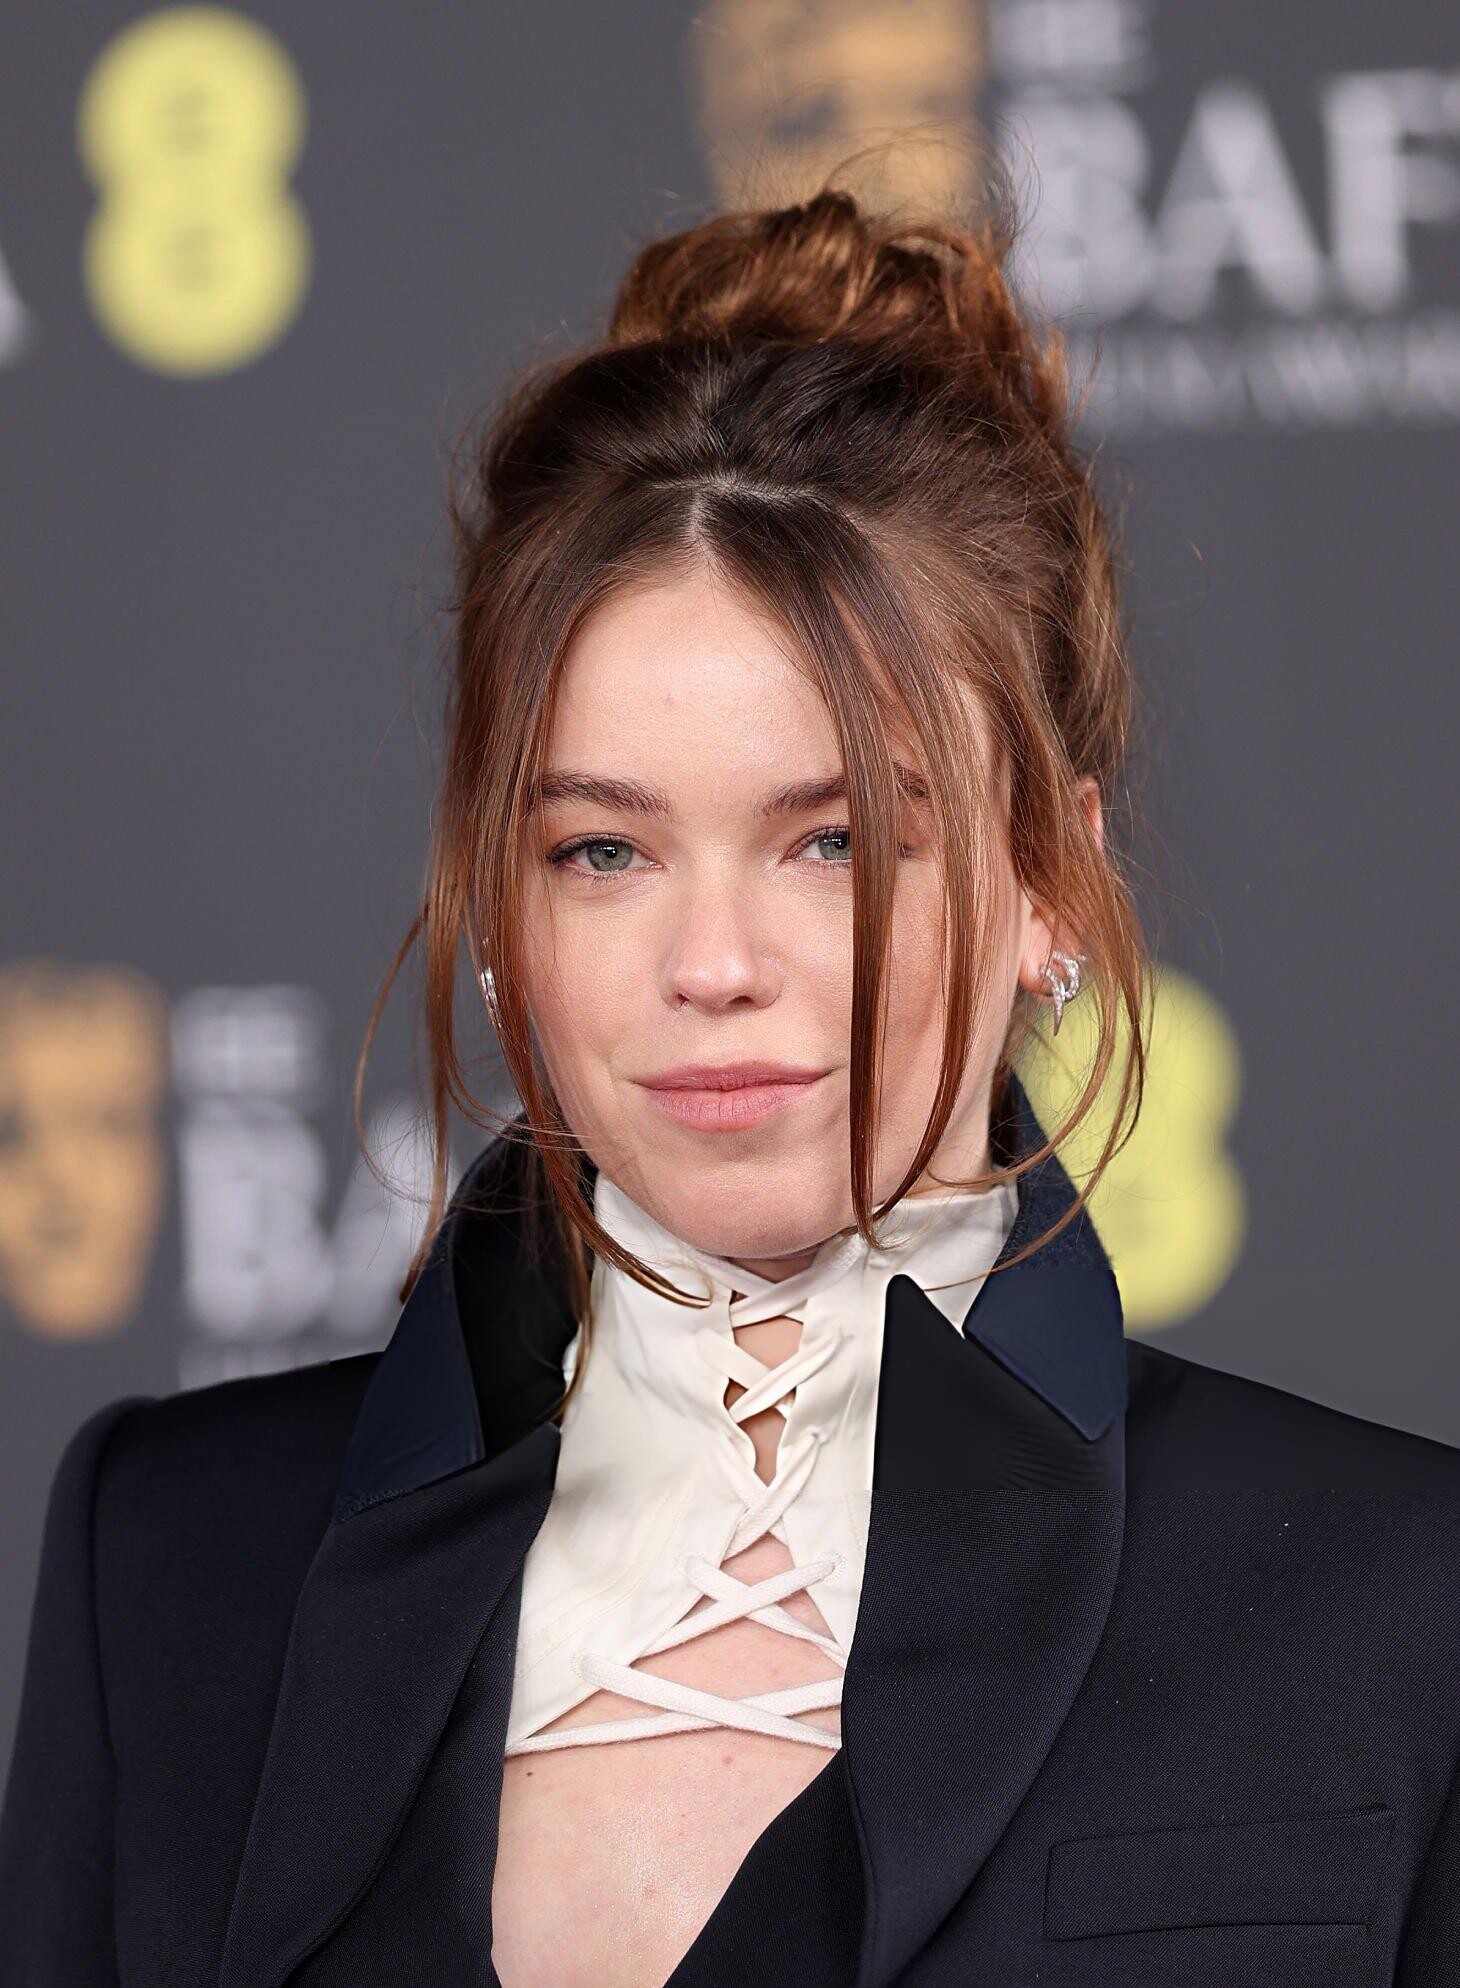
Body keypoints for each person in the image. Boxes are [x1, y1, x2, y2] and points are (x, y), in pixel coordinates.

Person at [2, 168, 1458, 1988]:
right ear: (498, 901)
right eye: (604, 851)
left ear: (1049, 884)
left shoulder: (1393, 1603)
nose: (713, 963)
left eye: (834, 842)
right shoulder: (170, 1563)